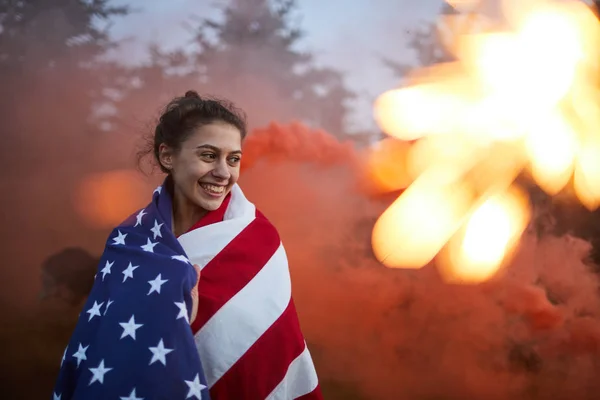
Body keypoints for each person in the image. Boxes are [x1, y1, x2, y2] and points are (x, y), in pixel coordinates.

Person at [52, 91, 323, 400]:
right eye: (208, 155)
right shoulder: (128, 241)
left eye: (233, 159)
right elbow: (106, 344)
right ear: (168, 156)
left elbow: (269, 353)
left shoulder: (259, 240)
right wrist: (171, 312)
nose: (224, 172)